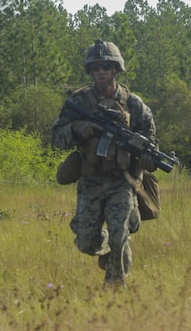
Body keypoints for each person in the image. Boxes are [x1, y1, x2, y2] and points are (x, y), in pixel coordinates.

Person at [51, 40, 158, 289]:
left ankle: (114, 289)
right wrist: (78, 129)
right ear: (90, 71)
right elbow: (56, 137)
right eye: (96, 67)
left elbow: (151, 142)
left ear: (115, 69)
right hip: (90, 180)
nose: (101, 72)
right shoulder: (79, 101)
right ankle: (108, 248)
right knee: (87, 242)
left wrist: (148, 159)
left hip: (122, 180)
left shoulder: (134, 104)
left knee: (121, 234)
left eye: (106, 67)